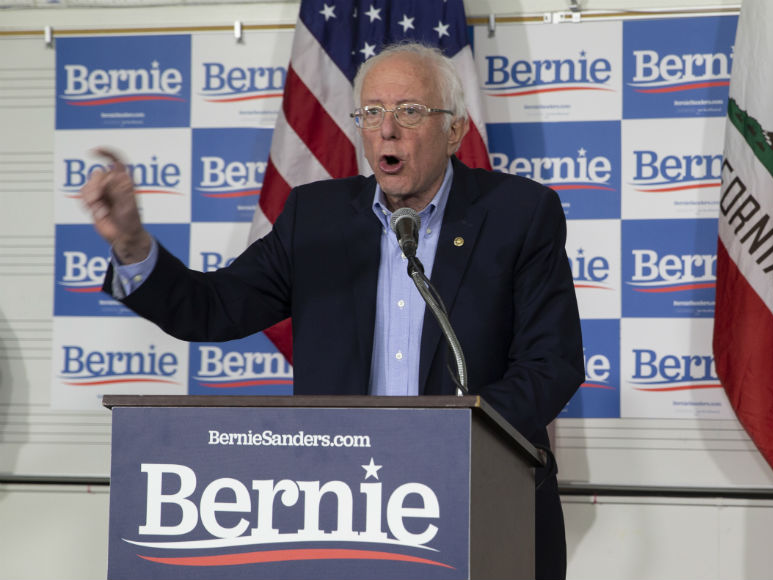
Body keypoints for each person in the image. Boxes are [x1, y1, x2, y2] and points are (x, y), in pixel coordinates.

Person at [81, 42, 583, 580]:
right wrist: (132, 245)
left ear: (454, 130)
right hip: (346, 509)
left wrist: (448, 439)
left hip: (478, 500)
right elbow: (212, 309)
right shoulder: (315, 218)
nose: (386, 130)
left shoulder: (519, 214)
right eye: (371, 113)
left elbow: (551, 365)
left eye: (409, 112)